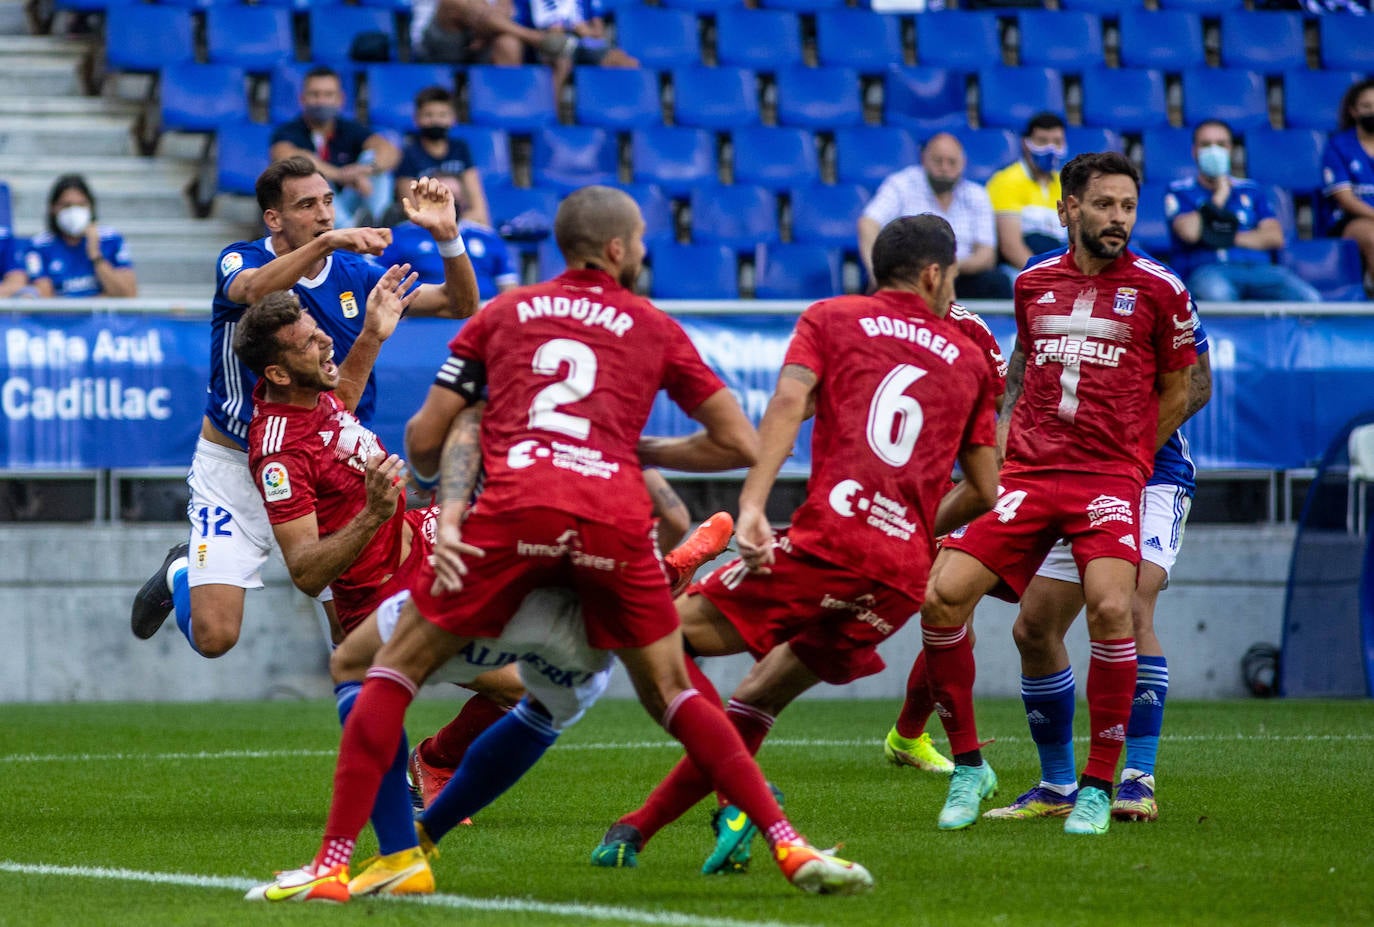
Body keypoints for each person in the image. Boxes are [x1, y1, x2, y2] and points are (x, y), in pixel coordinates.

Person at [246, 185, 873, 903]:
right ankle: (787, 842)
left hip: (513, 518)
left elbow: (427, 438)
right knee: (663, 689)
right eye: (638, 239)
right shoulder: (652, 324)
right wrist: (630, 448)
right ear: (616, 249)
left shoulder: (509, 314)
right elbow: (738, 440)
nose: (642, 250)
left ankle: (344, 859)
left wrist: (447, 501)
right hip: (609, 518)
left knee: (362, 664)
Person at [588, 214, 1002, 875]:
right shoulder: (971, 359)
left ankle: (740, 798)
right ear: (933, 274)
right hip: (899, 577)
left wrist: (751, 504)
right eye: (952, 278)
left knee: (659, 637)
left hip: (829, 543)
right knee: (757, 696)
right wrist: (910, 531)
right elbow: (985, 487)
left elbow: (787, 403)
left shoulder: (833, 317)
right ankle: (634, 828)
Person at [916, 156, 1214, 826]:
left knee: (1129, 608)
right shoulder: (1034, 284)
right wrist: (1002, 447)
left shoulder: (1162, 289)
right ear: (1069, 209)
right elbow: (1023, 367)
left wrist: (1129, 458)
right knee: (1033, 625)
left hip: (1144, 470)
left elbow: (1195, 385)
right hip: (1049, 472)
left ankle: (1130, 776)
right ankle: (1056, 785)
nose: (1117, 219)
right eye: (1104, 205)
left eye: (1128, 207)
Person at [128, 160, 478, 659]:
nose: (323, 214)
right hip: (234, 461)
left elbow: (458, 304)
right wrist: (328, 244)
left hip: (322, 465)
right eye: (307, 205)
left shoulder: (355, 274)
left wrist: (449, 237)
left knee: (355, 635)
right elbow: (252, 290)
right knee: (215, 637)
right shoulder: (240, 260)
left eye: (328, 202)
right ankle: (181, 571)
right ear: (274, 219)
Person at [1165, 119, 1319, 303]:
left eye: (1221, 145)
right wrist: (1220, 195)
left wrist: (1219, 236)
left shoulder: (1251, 190)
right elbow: (1190, 232)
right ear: (1194, 151)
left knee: (1310, 299)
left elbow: (1274, 236)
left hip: (1259, 269)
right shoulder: (1180, 191)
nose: (1214, 151)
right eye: (1206, 145)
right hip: (1210, 269)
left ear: (1231, 150)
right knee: (1218, 296)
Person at [858, 133, 1011, 300]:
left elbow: (987, 255)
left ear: (963, 164)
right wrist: (876, 272)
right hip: (911, 276)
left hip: (960, 274)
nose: (945, 168)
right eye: (938, 161)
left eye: (952, 162)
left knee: (998, 283)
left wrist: (947, 269)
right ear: (924, 159)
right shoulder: (901, 185)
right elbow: (867, 224)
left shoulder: (977, 195)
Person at [270, 67, 401, 228]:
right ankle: (353, 232)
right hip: (308, 211)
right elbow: (285, 155)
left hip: (349, 201)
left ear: (340, 99)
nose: (322, 101)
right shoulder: (288, 131)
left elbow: (389, 151)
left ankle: (380, 224)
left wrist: (366, 170)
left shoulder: (349, 128)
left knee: (373, 158)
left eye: (328, 95)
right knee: (307, 174)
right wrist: (340, 175)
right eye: (315, 94)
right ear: (302, 99)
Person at [380, 172, 518, 300]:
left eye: (455, 198)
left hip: (483, 312)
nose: (449, 204)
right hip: (422, 315)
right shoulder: (400, 235)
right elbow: (377, 280)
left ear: (464, 201)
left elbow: (509, 289)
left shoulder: (488, 237)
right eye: (441, 198)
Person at [23, 174, 136, 297]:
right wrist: (100, 301)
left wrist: (96, 256)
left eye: (81, 205)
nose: (74, 212)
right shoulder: (38, 246)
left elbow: (128, 294)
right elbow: (46, 300)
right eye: (67, 205)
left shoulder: (110, 239)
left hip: (105, 317)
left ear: (91, 207)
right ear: (53, 208)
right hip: (61, 317)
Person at [393, 85, 490, 228]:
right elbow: (411, 210)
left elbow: (478, 206)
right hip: (425, 229)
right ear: (416, 118)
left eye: (442, 115)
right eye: (428, 115)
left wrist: (459, 224)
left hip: (461, 225)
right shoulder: (409, 154)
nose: (435, 121)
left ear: (453, 119)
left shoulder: (460, 148)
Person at [987, 112, 1068, 273]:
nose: (1050, 149)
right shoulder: (1006, 181)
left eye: (1057, 142)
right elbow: (1010, 246)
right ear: (1025, 143)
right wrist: (1045, 277)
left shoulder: (1065, 183)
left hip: (1058, 268)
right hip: (1020, 268)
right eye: (1043, 141)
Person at [1320, 78, 1374, 287]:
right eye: (1366, 106)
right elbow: (1344, 198)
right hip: (1349, 220)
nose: (1372, 111)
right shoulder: (1339, 146)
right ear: (1353, 111)